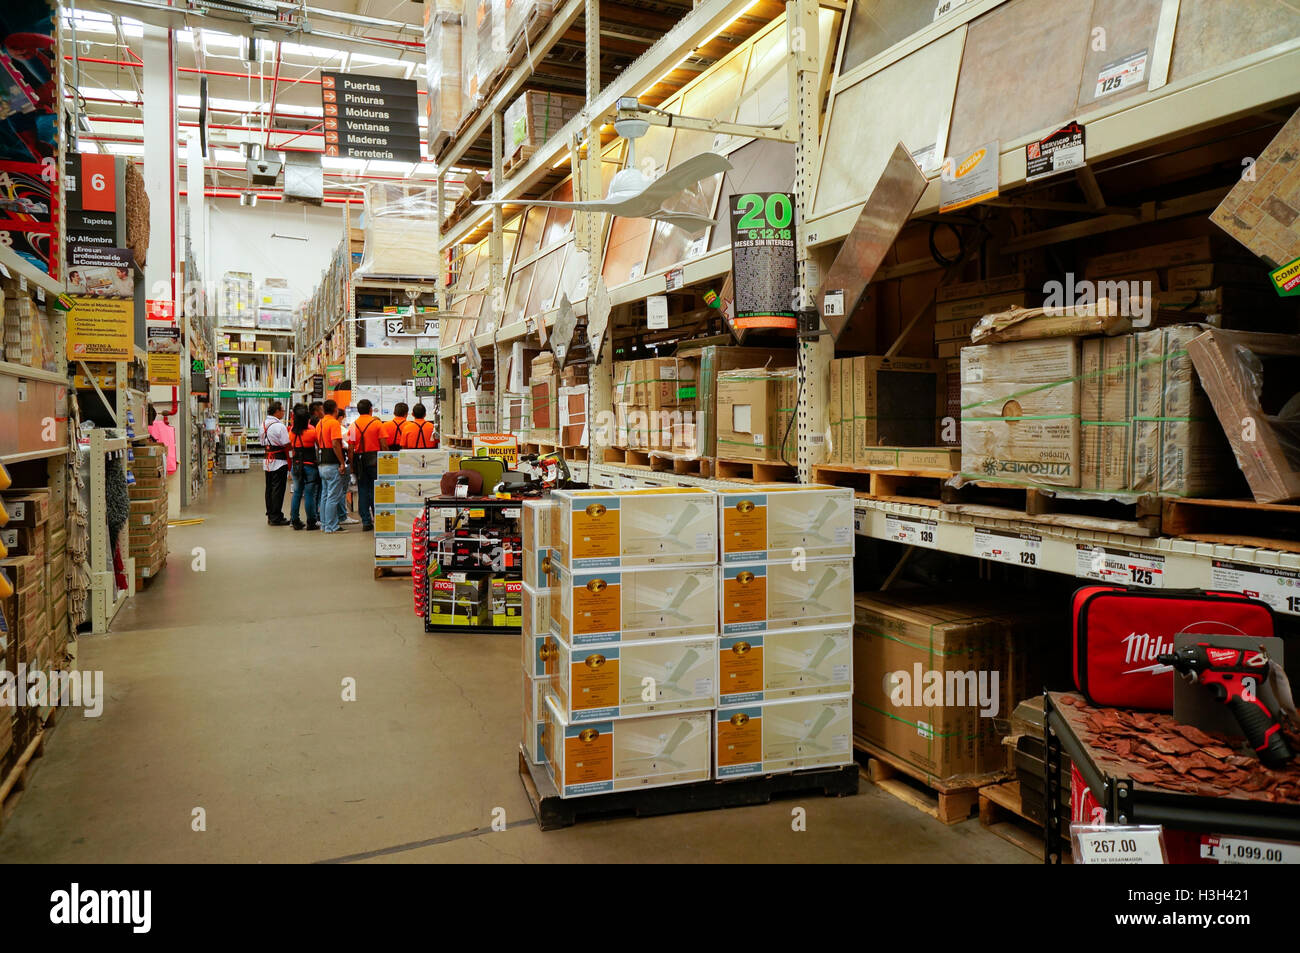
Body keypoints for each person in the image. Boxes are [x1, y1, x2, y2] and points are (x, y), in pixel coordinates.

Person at [350, 399, 383, 531]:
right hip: (375, 460)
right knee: (377, 489)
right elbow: (383, 444)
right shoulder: (377, 423)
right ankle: (378, 519)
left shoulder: (353, 426)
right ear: (370, 409)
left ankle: (366, 521)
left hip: (360, 460)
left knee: (363, 490)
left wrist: (351, 465)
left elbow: (351, 447)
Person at [316, 399, 347, 533]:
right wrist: (342, 462)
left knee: (325, 495)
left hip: (322, 462)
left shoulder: (320, 423)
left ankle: (324, 524)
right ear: (335, 409)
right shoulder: (334, 423)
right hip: (332, 462)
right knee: (333, 496)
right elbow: (335, 444)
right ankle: (331, 526)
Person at [288, 404, 320, 531]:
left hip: (296, 465)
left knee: (296, 492)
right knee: (309, 495)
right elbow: (319, 445)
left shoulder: (291, 432)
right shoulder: (312, 432)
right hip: (310, 466)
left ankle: (295, 520)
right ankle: (311, 522)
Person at [261, 400, 291, 526]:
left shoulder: (263, 424)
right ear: (277, 411)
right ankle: (276, 517)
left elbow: (261, 442)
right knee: (278, 489)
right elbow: (286, 443)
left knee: (269, 488)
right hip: (279, 461)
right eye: (282, 410)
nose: (283, 413)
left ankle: (270, 514)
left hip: (267, 460)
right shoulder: (280, 426)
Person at [336, 405, 360, 526]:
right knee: (342, 490)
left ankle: (337, 516)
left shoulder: (326, 426)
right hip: (342, 462)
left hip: (332, 462)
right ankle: (342, 516)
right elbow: (349, 445)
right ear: (341, 417)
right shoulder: (341, 429)